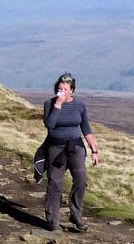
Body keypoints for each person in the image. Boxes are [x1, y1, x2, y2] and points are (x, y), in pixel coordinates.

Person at [42, 72, 100, 233]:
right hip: (55, 148)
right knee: (55, 183)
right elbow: (50, 125)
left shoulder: (79, 106)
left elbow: (86, 129)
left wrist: (94, 150)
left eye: (66, 89)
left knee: (81, 180)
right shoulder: (49, 104)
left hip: (75, 147)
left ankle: (76, 215)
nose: (62, 92)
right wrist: (58, 105)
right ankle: (52, 219)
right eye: (60, 89)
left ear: (72, 90)